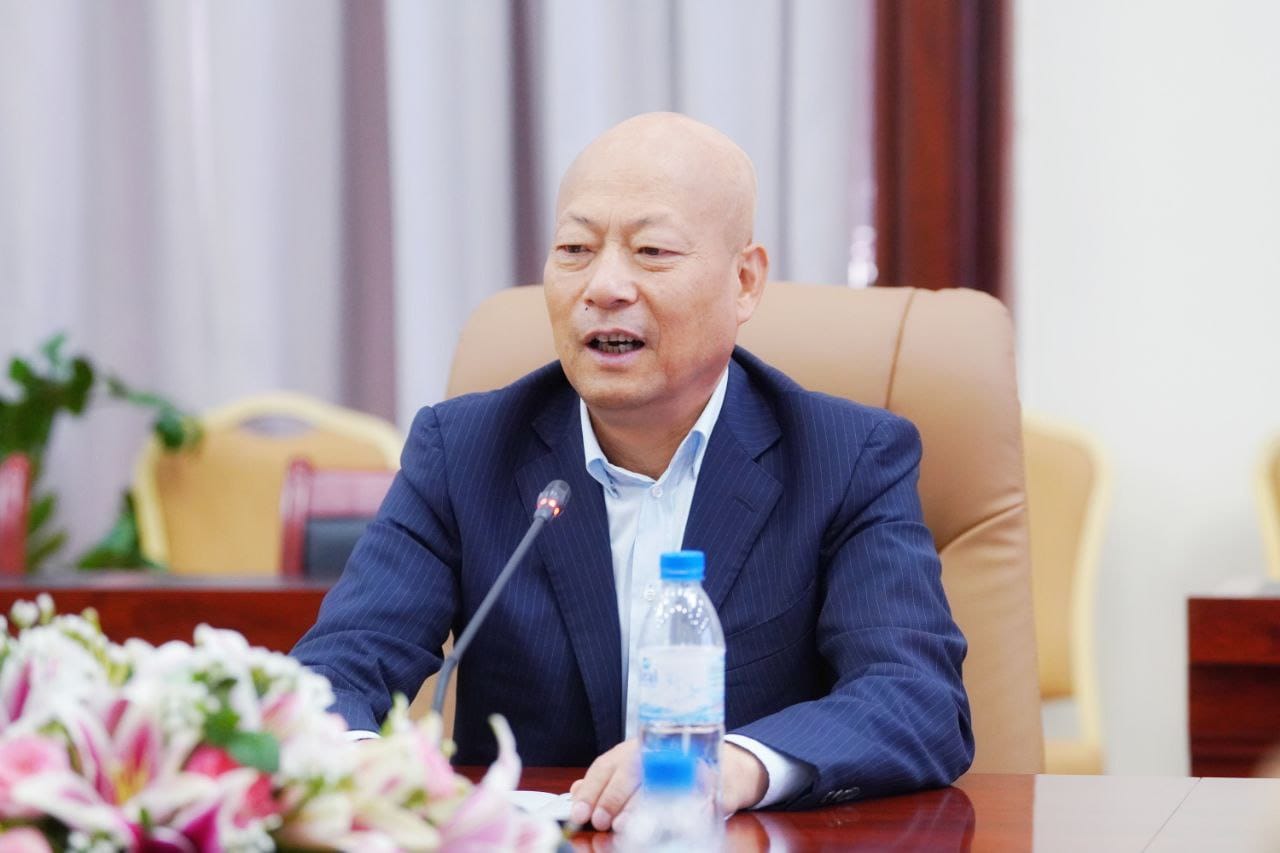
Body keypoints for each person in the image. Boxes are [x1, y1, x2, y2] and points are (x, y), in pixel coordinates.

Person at [291, 112, 973, 831]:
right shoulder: (464, 452)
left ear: (744, 282)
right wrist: (363, 769)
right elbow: (334, 671)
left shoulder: (846, 458)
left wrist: (728, 764)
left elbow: (916, 698)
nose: (604, 286)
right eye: (575, 249)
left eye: (651, 251)